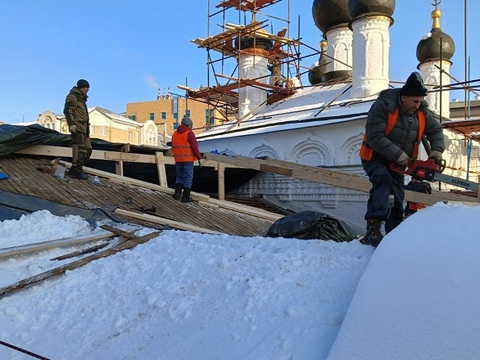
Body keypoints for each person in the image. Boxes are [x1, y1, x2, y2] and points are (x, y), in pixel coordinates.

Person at [359, 71, 445, 247]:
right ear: (404, 97)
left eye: (420, 101)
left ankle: (394, 235)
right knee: (382, 181)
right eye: (414, 101)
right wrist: (398, 155)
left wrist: (436, 151)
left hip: (399, 162)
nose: (417, 105)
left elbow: (435, 130)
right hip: (375, 156)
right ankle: (373, 229)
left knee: (397, 197)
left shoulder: (421, 111)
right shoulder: (384, 105)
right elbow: (375, 136)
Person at [63, 79, 92, 180]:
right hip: (77, 127)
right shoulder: (73, 96)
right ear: (81, 87)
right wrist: (71, 124)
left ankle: (77, 168)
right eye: (86, 87)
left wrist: (88, 130)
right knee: (80, 149)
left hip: (84, 129)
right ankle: (75, 170)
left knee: (88, 150)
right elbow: (68, 110)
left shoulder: (82, 99)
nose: (87, 89)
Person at [171, 115, 203, 202]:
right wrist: (199, 158)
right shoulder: (189, 133)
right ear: (188, 125)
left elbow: (173, 146)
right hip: (188, 159)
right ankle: (186, 197)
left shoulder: (175, 133)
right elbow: (194, 147)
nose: (192, 128)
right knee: (188, 177)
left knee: (179, 176)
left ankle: (177, 193)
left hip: (178, 159)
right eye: (191, 126)